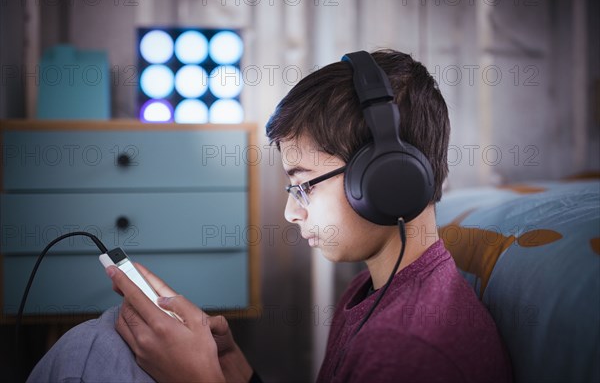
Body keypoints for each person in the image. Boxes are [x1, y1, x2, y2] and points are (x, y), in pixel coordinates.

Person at [28, 49, 513, 382]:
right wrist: (240, 372)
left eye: (302, 184)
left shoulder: (407, 355)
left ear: (388, 180)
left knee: (89, 351)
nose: (288, 212)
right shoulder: (374, 287)